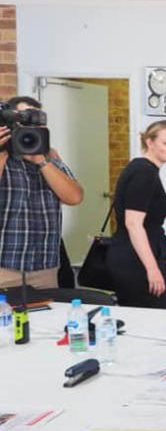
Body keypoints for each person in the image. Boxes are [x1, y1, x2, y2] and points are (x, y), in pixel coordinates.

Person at [0, 96, 83, 288]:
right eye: (23, 121)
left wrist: (40, 160)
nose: (29, 128)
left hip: (44, 270)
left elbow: (75, 197)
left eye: (35, 121)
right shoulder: (4, 158)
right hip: (4, 268)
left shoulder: (49, 158)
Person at [106, 121, 166, 308]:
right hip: (135, 262)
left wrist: (163, 259)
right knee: (149, 321)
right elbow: (133, 223)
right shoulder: (143, 172)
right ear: (150, 142)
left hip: (140, 256)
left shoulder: (145, 169)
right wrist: (153, 269)